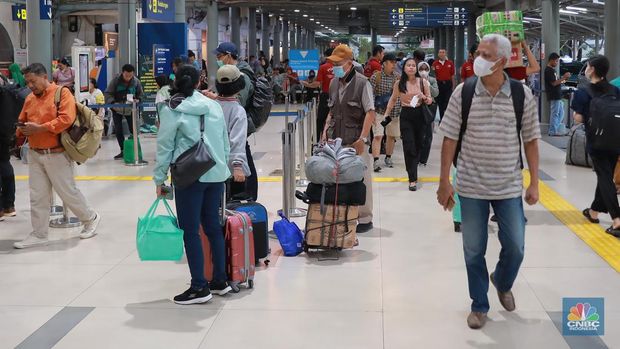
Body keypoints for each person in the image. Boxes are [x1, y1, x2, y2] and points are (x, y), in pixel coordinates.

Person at [436, 34, 541, 329]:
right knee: (473, 249)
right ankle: (479, 305)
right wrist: (445, 181)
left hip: (508, 185)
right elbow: (449, 139)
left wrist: (534, 182)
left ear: (503, 61)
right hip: (470, 185)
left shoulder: (521, 95)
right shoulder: (463, 92)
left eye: (486, 54)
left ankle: (502, 279)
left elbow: (531, 140)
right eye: (478, 52)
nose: (478, 58)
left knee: (516, 246)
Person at [154, 65, 232, 304]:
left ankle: (199, 286)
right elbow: (224, 141)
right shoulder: (213, 105)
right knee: (212, 226)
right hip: (216, 173)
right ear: (200, 82)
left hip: (190, 176)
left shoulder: (172, 107)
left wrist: (160, 178)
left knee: (190, 231)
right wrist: (223, 166)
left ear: (175, 81)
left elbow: (165, 146)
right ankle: (219, 280)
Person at [14, 63, 101, 248]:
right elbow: (22, 118)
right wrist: (20, 130)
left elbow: (66, 119)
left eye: (33, 81)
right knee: (38, 196)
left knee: (67, 192)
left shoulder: (62, 93)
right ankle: (39, 234)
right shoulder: (29, 98)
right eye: (27, 82)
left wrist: (41, 128)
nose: (30, 85)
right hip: (35, 153)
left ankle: (90, 218)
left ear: (44, 77)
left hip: (56, 153)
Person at [322, 44, 376, 234]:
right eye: (333, 63)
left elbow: (370, 112)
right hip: (337, 139)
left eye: (338, 63)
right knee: (340, 178)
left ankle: (365, 217)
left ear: (350, 63)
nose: (334, 67)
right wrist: (324, 133)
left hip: (356, 140)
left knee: (361, 179)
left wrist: (363, 138)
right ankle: (345, 214)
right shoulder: (334, 83)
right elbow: (332, 110)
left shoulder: (363, 83)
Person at [571, 55, 620, 237]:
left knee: (605, 178)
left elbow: (578, 117)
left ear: (591, 69)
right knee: (605, 174)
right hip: (616, 141)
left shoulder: (584, 91)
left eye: (588, 66)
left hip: (597, 141)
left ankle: (617, 220)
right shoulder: (615, 90)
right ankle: (593, 212)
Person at [211, 42, 258, 201]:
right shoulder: (236, 109)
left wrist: (214, 98)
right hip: (231, 141)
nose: (218, 59)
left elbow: (239, 100)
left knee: (243, 155)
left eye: (219, 56)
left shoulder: (242, 75)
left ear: (229, 55)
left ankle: (248, 197)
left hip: (234, 129)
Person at [383, 58, 432, 191]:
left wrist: (424, 98)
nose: (411, 67)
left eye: (413, 65)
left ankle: (412, 166)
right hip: (406, 116)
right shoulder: (399, 83)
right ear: (404, 68)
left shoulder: (423, 82)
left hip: (420, 115)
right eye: (408, 65)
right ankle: (412, 178)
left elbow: (429, 100)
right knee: (408, 145)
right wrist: (386, 114)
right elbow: (393, 99)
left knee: (418, 145)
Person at [215, 65, 250, 184]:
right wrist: (238, 166)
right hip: (230, 168)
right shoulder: (238, 110)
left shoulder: (210, 105)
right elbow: (237, 139)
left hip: (210, 165)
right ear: (239, 85)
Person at [369, 53, 401, 171]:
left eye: (395, 62)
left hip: (394, 113)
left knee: (391, 136)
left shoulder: (398, 77)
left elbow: (400, 95)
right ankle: (376, 160)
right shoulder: (375, 77)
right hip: (379, 112)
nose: (394, 64)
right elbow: (370, 95)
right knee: (378, 135)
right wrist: (371, 111)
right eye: (392, 62)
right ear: (384, 63)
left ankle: (388, 157)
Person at [104, 64, 144, 160]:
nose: (128, 78)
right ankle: (122, 150)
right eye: (126, 75)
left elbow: (141, 94)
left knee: (133, 129)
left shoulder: (136, 82)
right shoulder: (115, 81)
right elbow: (108, 93)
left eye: (130, 75)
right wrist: (113, 103)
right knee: (118, 130)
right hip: (117, 109)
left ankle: (134, 149)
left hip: (131, 110)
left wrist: (138, 99)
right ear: (123, 73)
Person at [418, 61, 439, 166]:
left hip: (429, 109)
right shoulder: (414, 80)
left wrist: (427, 84)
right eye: (421, 69)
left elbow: (436, 93)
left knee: (428, 134)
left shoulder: (432, 80)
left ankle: (423, 159)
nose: (423, 71)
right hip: (417, 108)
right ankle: (416, 157)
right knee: (418, 134)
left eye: (425, 69)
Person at [545, 53, 571, 136]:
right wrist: (563, 77)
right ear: (551, 60)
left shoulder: (553, 70)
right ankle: (553, 131)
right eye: (556, 61)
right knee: (555, 113)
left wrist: (565, 79)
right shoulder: (548, 70)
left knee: (560, 112)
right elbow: (553, 83)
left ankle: (555, 128)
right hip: (554, 95)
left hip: (557, 95)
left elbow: (558, 82)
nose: (557, 63)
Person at [313, 48, 335, 141]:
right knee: (334, 119)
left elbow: (318, 83)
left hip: (325, 95)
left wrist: (307, 84)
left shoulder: (322, 67)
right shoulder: (339, 67)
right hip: (336, 96)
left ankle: (316, 139)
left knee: (320, 119)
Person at [432, 49, 456, 121]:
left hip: (448, 84)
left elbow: (452, 75)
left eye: (443, 52)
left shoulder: (450, 63)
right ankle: (442, 119)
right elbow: (433, 75)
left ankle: (447, 118)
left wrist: (453, 86)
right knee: (440, 102)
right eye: (440, 52)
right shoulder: (435, 64)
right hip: (439, 84)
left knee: (447, 101)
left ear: (445, 54)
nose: (441, 54)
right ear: (438, 54)